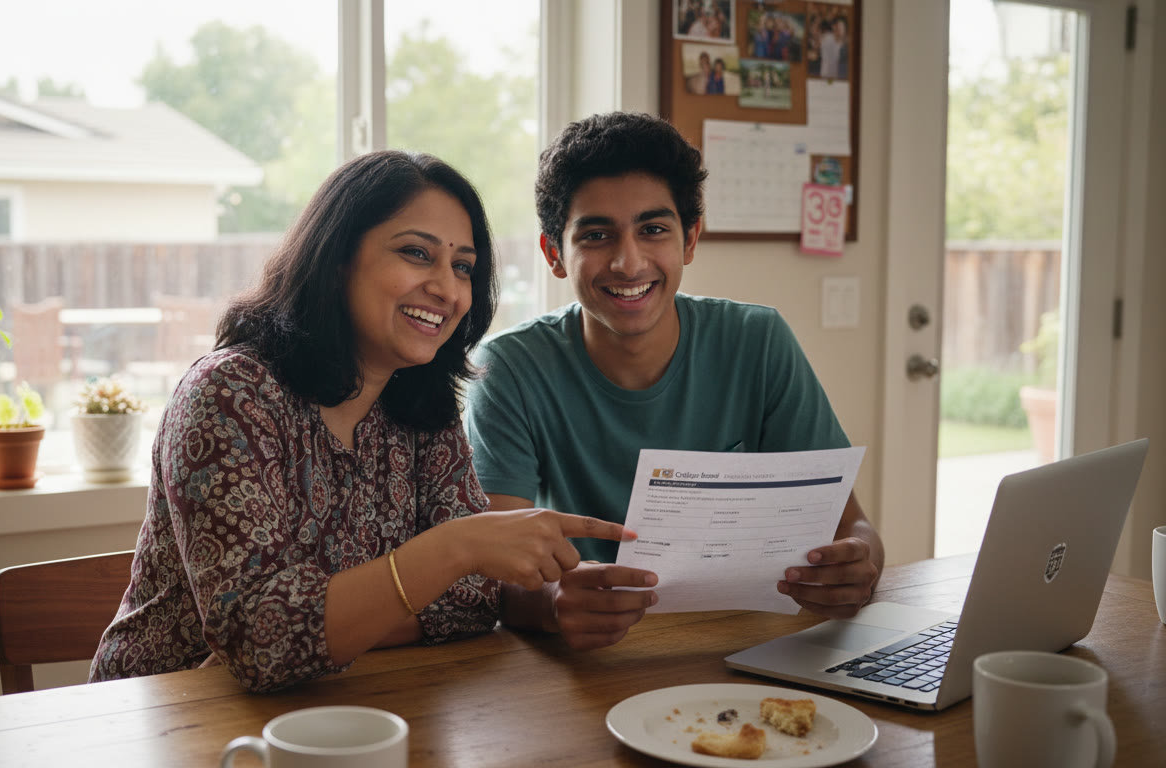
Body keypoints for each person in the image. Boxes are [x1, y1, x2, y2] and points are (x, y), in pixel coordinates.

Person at [89, 150, 628, 691]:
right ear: (338, 257)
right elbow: (260, 641)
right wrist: (456, 547)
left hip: (341, 708)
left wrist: (332, 628)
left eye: (463, 266)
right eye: (417, 253)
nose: (447, 288)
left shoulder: (421, 406)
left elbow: (474, 600)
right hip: (162, 717)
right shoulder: (229, 395)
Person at [464, 112, 884, 651]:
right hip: (591, 659)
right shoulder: (509, 370)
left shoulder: (757, 342)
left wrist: (861, 563)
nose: (628, 261)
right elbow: (496, 575)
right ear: (554, 255)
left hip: (744, 646)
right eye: (596, 234)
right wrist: (551, 601)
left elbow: (855, 530)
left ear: (690, 240)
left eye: (653, 230)